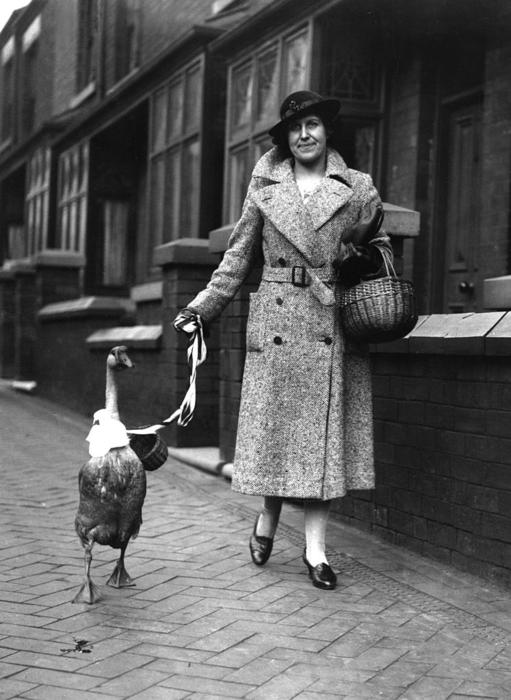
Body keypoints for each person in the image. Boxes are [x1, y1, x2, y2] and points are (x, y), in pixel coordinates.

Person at [173, 90, 392, 590]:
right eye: (294, 129)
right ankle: (268, 515)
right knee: (278, 436)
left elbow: (380, 248)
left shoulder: (356, 186)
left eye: (312, 124)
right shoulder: (265, 181)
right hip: (276, 317)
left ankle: (315, 551)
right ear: (284, 138)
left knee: (320, 445)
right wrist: (201, 308)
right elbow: (237, 256)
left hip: (330, 319)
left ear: (327, 130)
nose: (304, 135)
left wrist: (360, 258)